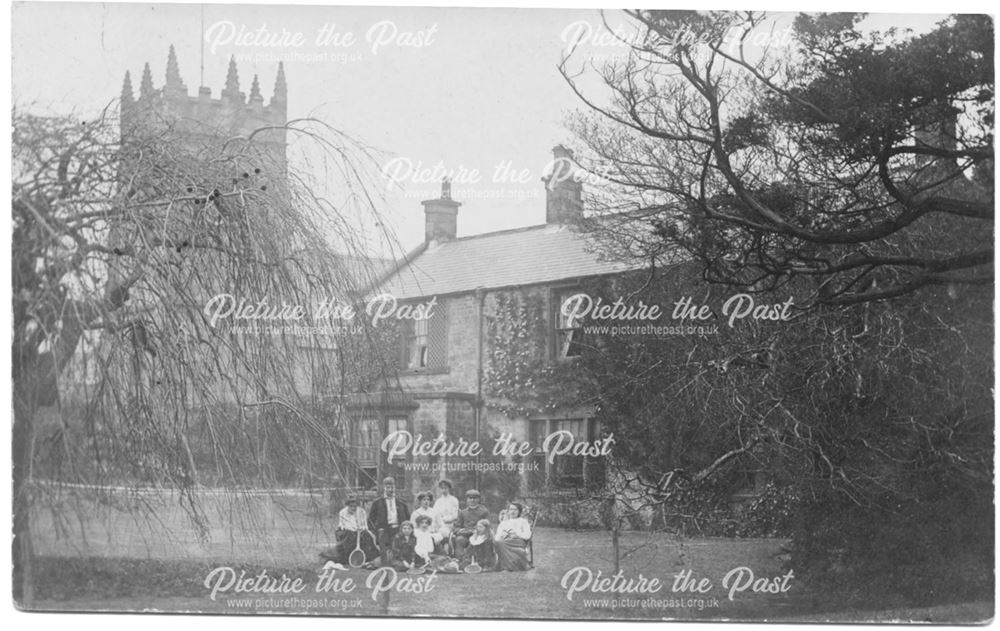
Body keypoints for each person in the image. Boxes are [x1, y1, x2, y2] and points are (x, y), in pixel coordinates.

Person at [319, 494, 378, 568]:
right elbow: (343, 525)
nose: (353, 508)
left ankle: (367, 558)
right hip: (347, 531)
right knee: (348, 536)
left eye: (355, 506)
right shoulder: (342, 512)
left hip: (360, 532)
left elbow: (365, 525)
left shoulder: (362, 512)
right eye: (351, 506)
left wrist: (360, 529)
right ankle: (346, 556)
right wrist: (354, 530)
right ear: (348, 505)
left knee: (367, 536)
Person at [367, 477, 411, 565]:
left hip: (398, 530)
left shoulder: (401, 503)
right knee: (385, 553)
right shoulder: (377, 503)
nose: (390, 490)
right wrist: (376, 531)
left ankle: (398, 563)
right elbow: (370, 520)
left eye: (392, 487)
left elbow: (407, 518)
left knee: (398, 551)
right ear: (384, 488)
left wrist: (404, 529)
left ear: (395, 488)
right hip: (384, 530)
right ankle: (382, 564)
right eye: (388, 487)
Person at [494, 502, 532, 571]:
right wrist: (503, 535)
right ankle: (507, 567)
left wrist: (517, 534)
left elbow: (527, 535)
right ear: (508, 511)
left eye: (515, 510)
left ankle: (506, 568)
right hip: (505, 540)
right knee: (498, 543)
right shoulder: (504, 522)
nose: (513, 511)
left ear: (519, 511)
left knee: (502, 543)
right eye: (511, 509)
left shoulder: (523, 521)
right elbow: (497, 537)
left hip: (518, 541)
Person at [452, 489, 490, 559]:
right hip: (465, 536)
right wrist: (460, 530)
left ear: (478, 499)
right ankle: (460, 560)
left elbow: (487, 526)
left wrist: (478, 531)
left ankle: (479, 561)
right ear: (467, 500)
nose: (472, 500)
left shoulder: (484, 511)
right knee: (459, 540)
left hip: (479, 535)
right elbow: (456, 527)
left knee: (479, 541)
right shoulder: (463, 512)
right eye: (470, 498)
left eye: (474, 498)